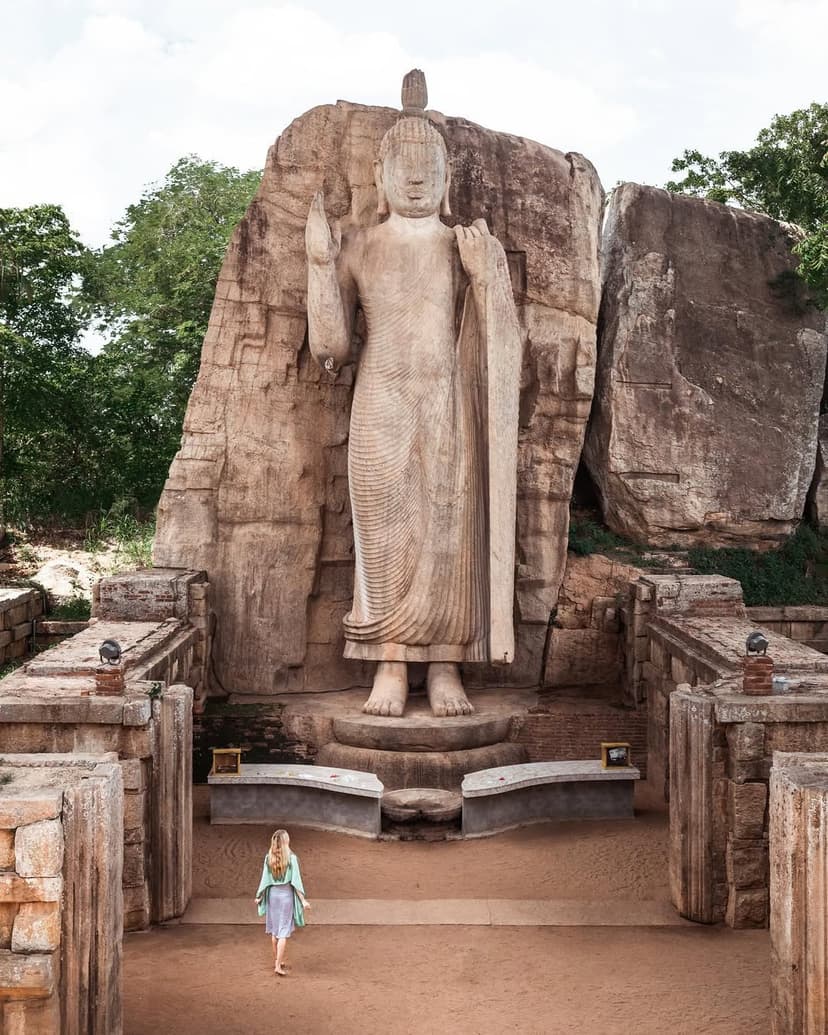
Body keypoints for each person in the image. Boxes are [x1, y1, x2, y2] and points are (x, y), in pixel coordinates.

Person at [305, 69, 521, 719]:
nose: (419, 174)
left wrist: (486, 279)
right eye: (406, 161)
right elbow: (332, 347)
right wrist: (319, 262)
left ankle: (446, 663)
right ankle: (391, 664)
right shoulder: (361, 245)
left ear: (448, 173)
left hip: (448, 404)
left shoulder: (466, 245)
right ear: (382, 169)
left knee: (448, 532)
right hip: (382, 400)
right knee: (384, 535)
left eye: (431, 162)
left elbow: (502, 337)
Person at [254, 829, 310, 976]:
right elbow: (296, 882)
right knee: (283, 932)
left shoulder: (269, 858)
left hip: (273, 895)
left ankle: (278, 959)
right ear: (286, 841)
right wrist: (303, 901)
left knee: (274, 930)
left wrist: (260, 896)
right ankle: (278, 965)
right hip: (286, 897)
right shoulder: (292, 859)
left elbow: (264, 880)